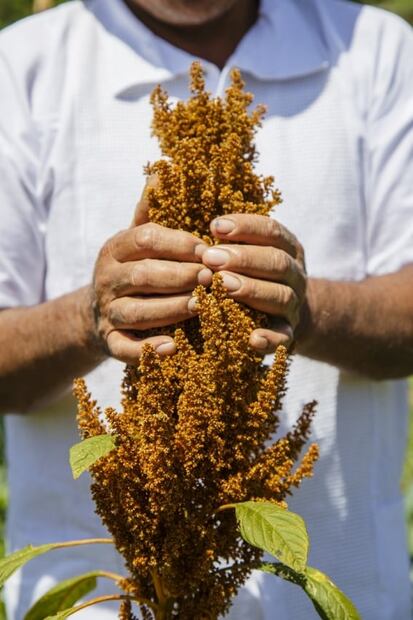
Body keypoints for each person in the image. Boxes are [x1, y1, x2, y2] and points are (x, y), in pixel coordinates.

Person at [0, 0, 412, 617]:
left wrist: (304, 308)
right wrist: (87, 317)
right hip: (110, 599)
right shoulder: (21, 66)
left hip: (343, 588)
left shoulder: (379, 51)